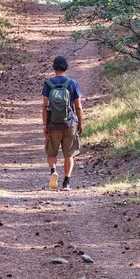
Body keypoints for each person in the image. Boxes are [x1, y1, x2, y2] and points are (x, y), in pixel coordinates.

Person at [42, 55, 83, 191]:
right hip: (69, 124)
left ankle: (53, 171)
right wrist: (80, 124)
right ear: (66, 67)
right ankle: (66, 183)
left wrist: (44, 125)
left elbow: (44, 105)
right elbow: (78, 107)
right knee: (69, 154)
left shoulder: (48, 84)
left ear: (54, 67)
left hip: (53, 124)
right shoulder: (72, 83)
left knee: (51, 153)